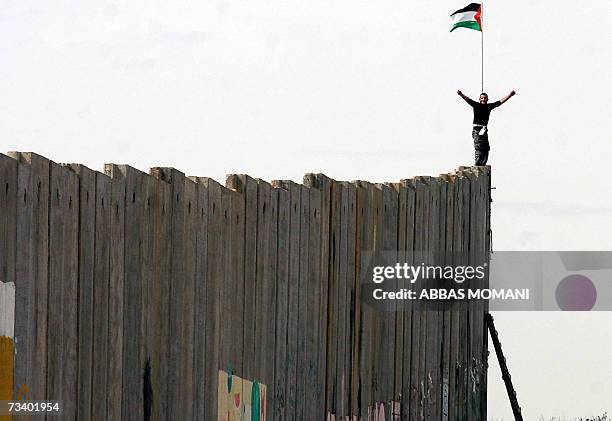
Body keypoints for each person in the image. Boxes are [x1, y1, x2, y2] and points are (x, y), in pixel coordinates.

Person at [457, 90, 516, 165]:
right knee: (479, 149)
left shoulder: (489, 107)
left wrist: (510, 95)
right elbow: (467, 99)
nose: (483, 99)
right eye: (482, 98)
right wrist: (461, 94)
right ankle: (477, 165)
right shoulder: (476, 105)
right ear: (479, 99)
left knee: (486, 148)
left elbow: (500, 102)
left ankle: (482, 165)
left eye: (485, 98)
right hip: (477, 130)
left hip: (484, 130)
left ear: (487, 99)